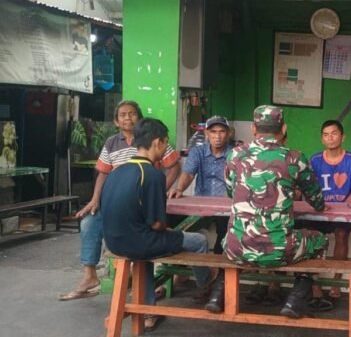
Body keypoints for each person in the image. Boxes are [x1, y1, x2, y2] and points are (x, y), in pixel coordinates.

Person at [204, 105, 329, 319]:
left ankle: (217, 296)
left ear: (253, 128)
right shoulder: (294, 158)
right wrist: (319, 205)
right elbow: (316, 199)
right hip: (279, 251)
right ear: (284, 128)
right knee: (320, 240)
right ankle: (295, 300)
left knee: (235, 239)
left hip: (235, 248)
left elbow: (231, 192)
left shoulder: (235, 155)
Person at [60, 100, 181, 301]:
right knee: (89, 222)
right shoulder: (111, 143)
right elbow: (103, 173)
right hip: (118, 201)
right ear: (116, 121)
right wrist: (95, 199)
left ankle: (143, 295)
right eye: (122, 115)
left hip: (141, 204)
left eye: (132, 114)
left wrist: (159, 191)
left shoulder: (152, 139)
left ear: (139, 117)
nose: (127, 118)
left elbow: (174, 166)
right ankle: (90, 276)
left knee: (142, 236)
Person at [100, 118, 213, 333]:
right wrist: (168, 231)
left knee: (145, 254)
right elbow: (157, 224)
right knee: (199, 240)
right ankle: (207, 283)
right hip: (140, 244)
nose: (165, 147)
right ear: (157, 142)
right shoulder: (152, 175)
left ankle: (148, 310)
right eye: (165, 142)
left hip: (113, 243)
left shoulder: (116, 172)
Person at [299, 119, 351, 311]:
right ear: (322, 139)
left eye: (334, 133)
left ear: (343, 137)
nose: (330, 138)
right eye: (326, 134)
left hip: (342, 211)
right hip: (319, 210)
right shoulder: (315, 160)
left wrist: (343, 209)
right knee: (310, 235)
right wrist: (319, 206)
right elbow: (308, 188)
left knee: (342, 233)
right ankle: (315, 286)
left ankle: (336, 281)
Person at [168, 115, 232, 254]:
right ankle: (178, 262)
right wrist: (179, 189)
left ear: (228, 134)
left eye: (221, 131)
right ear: (206, 133)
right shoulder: (198, 152)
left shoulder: (234, 154)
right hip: (201, 204)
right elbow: (188, 174)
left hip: (225, 205)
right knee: (177, 224)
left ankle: (219, 260)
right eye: (213, 132)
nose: (217, 136)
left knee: (225, 233)